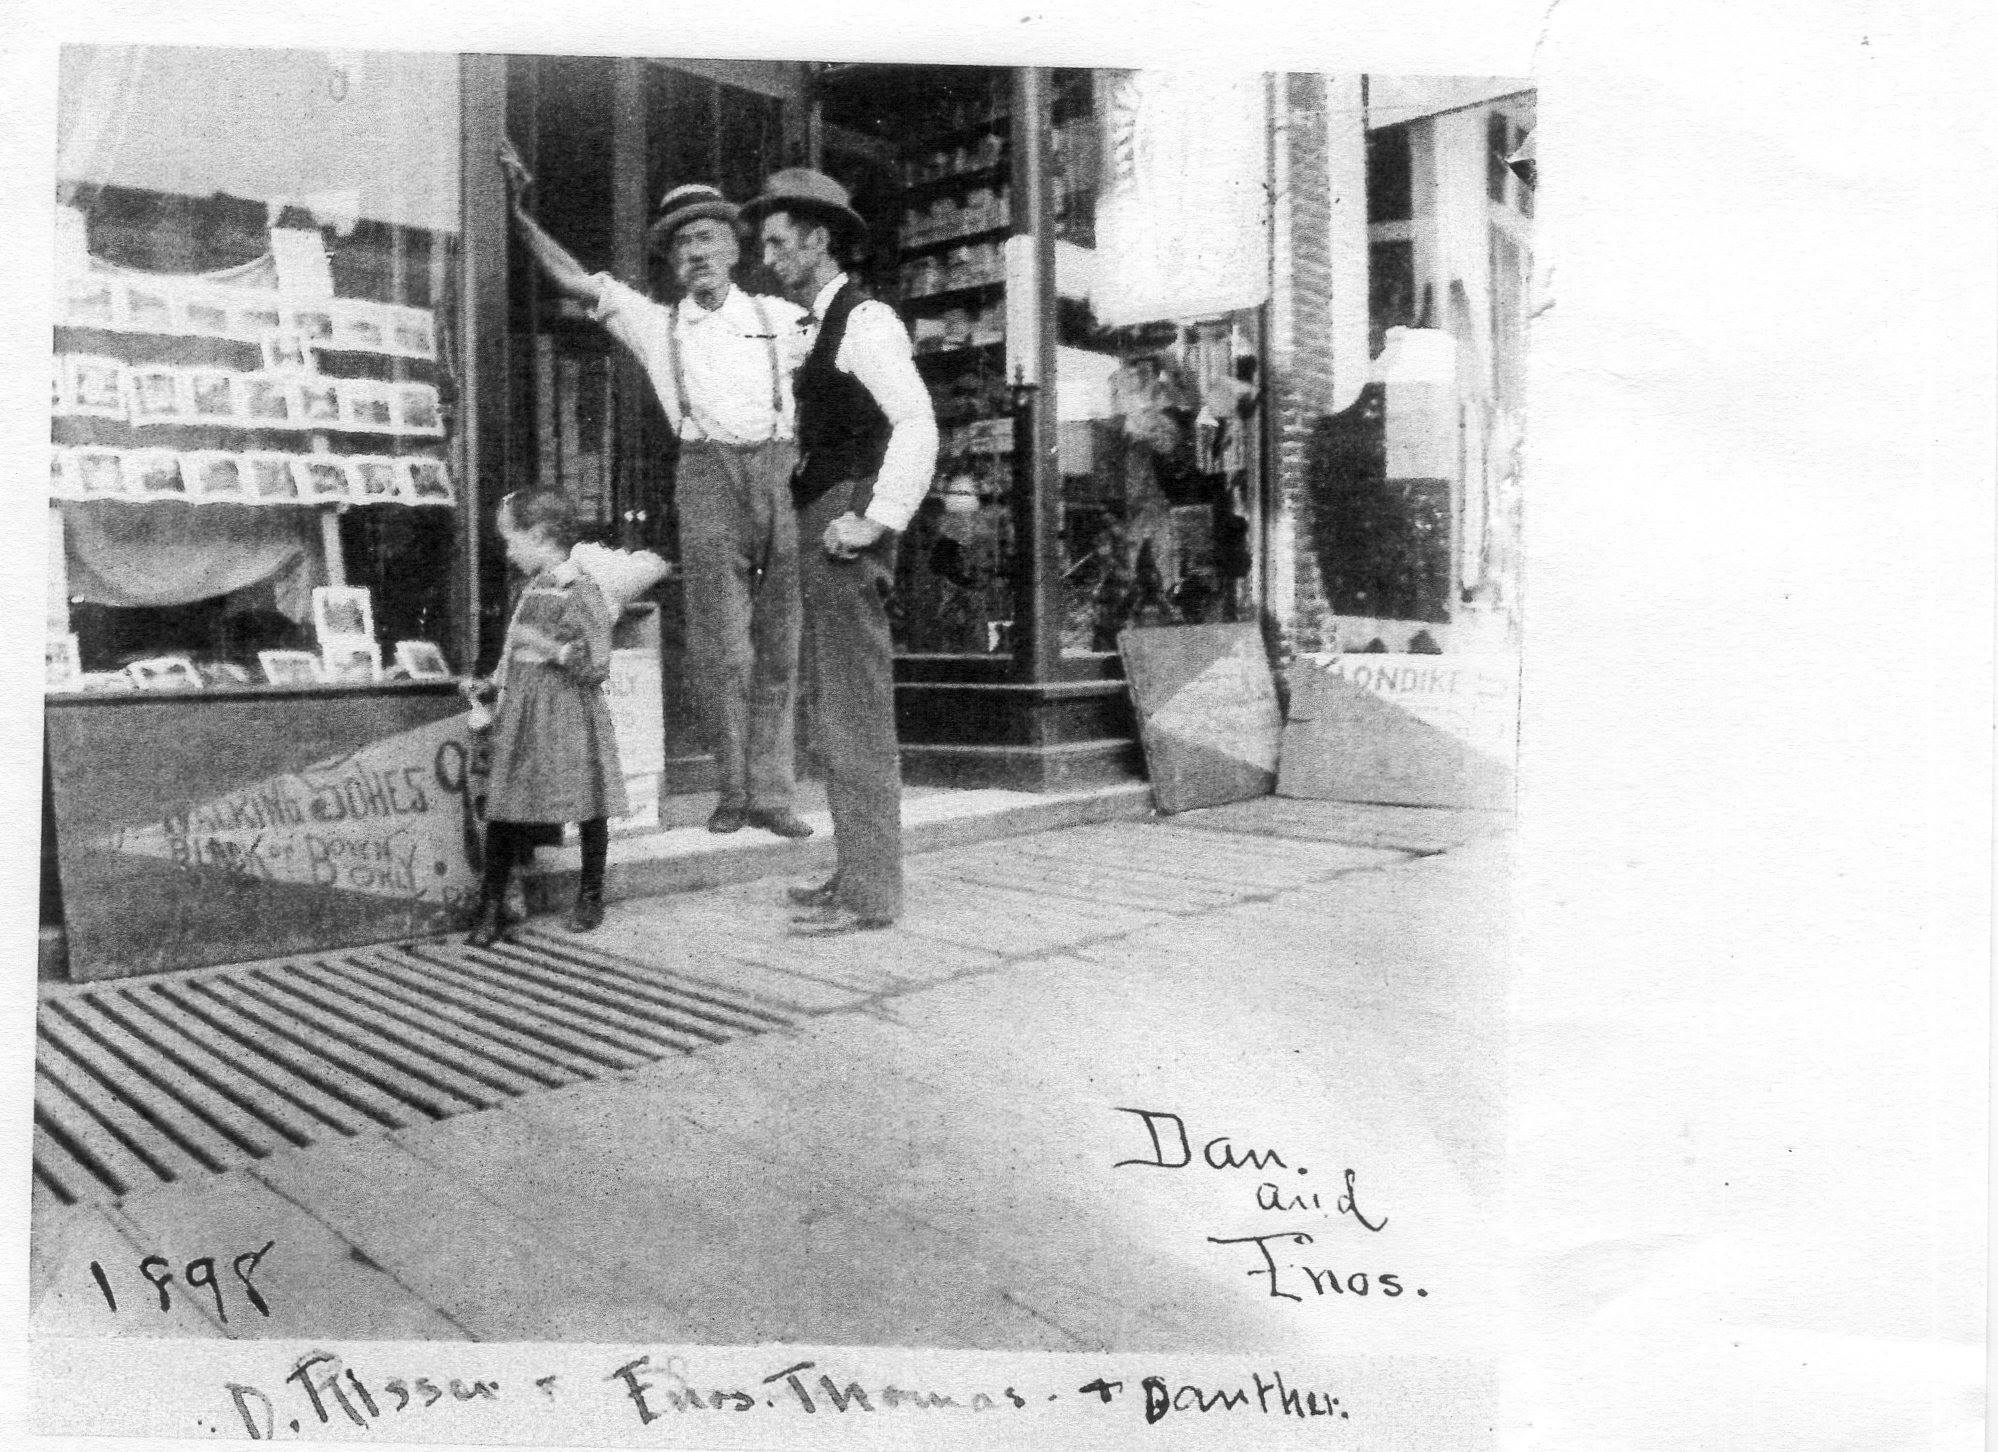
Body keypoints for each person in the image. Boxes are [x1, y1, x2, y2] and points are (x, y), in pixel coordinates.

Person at [498, 140, 814, 840]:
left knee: (780, 645)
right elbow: (577, 282)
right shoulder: (658, 322)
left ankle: (774, 793)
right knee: (722, 647)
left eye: (707, 238)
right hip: (704, 476)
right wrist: (518, 214)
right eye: (682, 246)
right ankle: (734, 792)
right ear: (671, 264)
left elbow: (841, 374)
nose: (696, 253)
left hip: (779, 475)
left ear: (734, 247)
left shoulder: (781, 317)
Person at [741, 169, 939, 935]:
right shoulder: (817, 323)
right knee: (835, 711)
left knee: (855, 713)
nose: (768, 256)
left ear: (820, 239)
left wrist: (878, 518)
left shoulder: (865, 320)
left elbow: (916, 423)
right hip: (821, 517)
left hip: (843, 524)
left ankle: (872, 895)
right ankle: (855, 874)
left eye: (778, 241)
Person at [463, 490, 628, 947]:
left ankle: (591, 894)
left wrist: (542, 645)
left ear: (539, 537)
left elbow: (595, 664)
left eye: (512, 540)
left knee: (587, 800)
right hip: (526, 706)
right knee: (507, 799)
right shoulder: (532, 587)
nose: (508, 550)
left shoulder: (582, 590)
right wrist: (495, 683)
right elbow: (512, 648)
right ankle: (491, 904)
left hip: (568, 707)